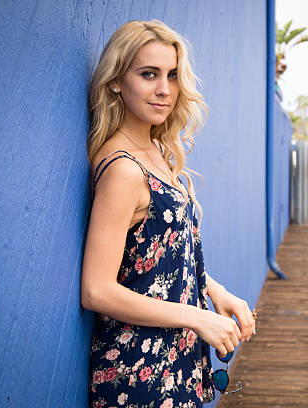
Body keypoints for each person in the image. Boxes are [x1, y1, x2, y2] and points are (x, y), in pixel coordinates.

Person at [80, 20, 256, 408]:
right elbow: (96, 289)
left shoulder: (158, 152)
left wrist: (215, 292)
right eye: (148, 74)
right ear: (115, 81)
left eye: (172, 75)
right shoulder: (124, 169)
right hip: (136, 371)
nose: (164, 89)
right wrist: (197, 318)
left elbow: (160, 253)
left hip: (176, 361)